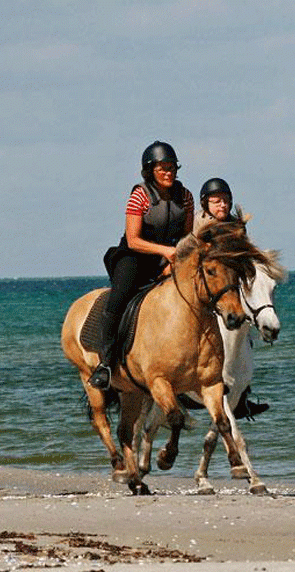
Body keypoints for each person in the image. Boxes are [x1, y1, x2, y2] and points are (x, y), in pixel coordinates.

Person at [88, 141, 195, 390]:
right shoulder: (139, 196)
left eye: (172, 168)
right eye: (162, 168)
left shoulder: (186, 197)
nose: (169, 172)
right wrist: (167, 252)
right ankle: (105, 364)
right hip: (134, 257)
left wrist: (176, 261)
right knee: (119, 298)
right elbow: (134, 240)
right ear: (150, 171)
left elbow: (187, 237)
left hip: (169, 259)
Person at [194, 177, 269, 418]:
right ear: (206, 204)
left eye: (225, 201)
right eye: (216, 201)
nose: (222, 206)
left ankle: (242, 394)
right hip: (205, 286)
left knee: (244, 333)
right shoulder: (198, 225)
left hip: (229, 287)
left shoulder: (236, 226)